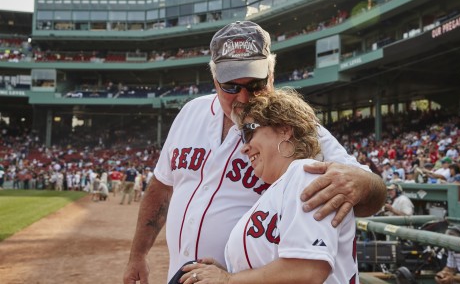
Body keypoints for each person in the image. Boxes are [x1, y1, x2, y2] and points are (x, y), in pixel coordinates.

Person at [123, 20, 386, 283]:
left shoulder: (292, 128)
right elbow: (162, 186)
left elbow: (372, 192)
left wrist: (362, 183)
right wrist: (138, 254)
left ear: (271, 76)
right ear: (215, 80)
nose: (244, 97)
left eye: (255, 84)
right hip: (193, 274)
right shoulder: (190, 113)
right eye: (231, 86)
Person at [178, 88, 357, 283]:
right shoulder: (279, 188)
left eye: (249, 132)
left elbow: (308, 270)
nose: (244, 147)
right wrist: (228, 273)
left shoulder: (306, 174)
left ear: (284, 129)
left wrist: (229, 280)